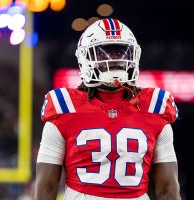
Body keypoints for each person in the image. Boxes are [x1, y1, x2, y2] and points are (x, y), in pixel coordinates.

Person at [35, 18, 180, 200]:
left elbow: (168, 188)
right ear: (85, 58)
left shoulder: (155, 107)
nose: (116, 60)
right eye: (104, 53)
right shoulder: (64, 106)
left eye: (121, 52)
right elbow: (46, 186)